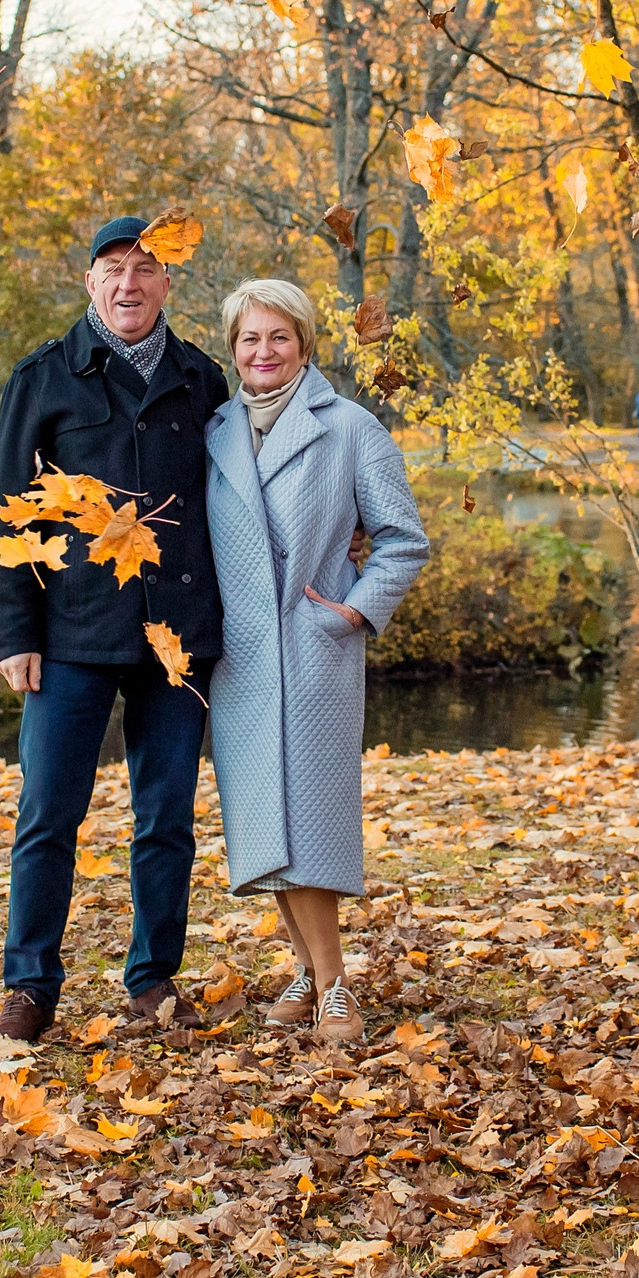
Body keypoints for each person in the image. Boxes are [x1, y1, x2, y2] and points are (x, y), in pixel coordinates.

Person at [0, 216, 231, 1043]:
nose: (129, 284)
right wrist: (13, 629)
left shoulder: (203, 380)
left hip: (177, 635)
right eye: (113, 269)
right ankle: (30, 985)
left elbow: (240, 497)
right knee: (49, 809)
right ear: (90, 283)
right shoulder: (44, 378)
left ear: (167, 283)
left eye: (146, 269)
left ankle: (153, 978)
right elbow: (7, 512)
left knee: (166, 815)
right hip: (69, 633)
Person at [204, 281, 429, 1043]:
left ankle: (335, 987)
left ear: (303, 342)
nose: (262, 352)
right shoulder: (214, 430)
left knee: (310, 819)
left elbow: (403, 537)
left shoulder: (350, 428)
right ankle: (305, 970)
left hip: (312, 648)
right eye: (249, 338)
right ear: (232, 347)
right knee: (265, 821)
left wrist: (356, 607)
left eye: (278, 337)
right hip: (238, 656)